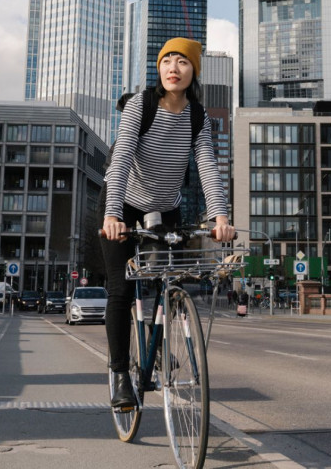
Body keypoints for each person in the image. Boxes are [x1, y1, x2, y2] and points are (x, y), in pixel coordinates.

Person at [100, 38, 234, 409]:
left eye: (183, 62)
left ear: (194, 72)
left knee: (167, 280)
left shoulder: (197, 116)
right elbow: (123, 157)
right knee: (121, 289)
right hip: (123, 203)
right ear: (159, 69)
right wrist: (112, 215)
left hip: (166, 208)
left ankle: (156, 340)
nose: (173, 67)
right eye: (167, 61)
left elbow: (207, 166)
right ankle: (121, 376)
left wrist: (221, 217)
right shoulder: (140, 106)